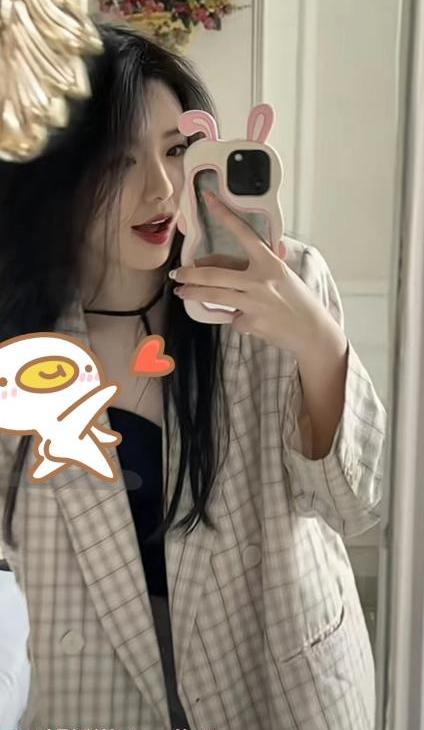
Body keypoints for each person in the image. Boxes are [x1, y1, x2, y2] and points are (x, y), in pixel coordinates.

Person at [0, 21, 386, 730]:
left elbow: (353, 505)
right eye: (116, 161)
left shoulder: (281, 286)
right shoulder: (26, 344)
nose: (160, 187)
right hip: (101, 688)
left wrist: (316, 343)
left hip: (277, 678)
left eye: (176, 149)